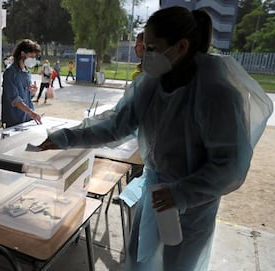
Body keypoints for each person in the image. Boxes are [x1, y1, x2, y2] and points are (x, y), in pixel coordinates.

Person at [37, 6, 273, 271]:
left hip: (193, 207)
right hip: (157, 191)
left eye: (152, 47)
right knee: (140, 256)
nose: (144, 53)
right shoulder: (153, 83)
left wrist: (182, 193)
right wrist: (66, 137)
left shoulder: (217, 94)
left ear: (181, 46)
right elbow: (116, 124)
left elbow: (231, 165)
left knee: (178, 264)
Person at [2, 39, 42, 127]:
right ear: (23, 53)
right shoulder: (10, 73)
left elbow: (26, 96)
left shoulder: (27, 72)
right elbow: (15, 99)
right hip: (15, 120)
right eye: (31, 56)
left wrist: (32, 92)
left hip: (27, 119)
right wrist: (32, 112)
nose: (33, 59)